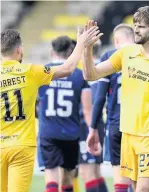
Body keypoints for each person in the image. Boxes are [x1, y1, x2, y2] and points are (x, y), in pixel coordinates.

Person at [0, 27, 102, 192]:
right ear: (19, 50)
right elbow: (68, 68)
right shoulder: (31, 71)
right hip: (22, 146)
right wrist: (81, 43)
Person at [82, 6, 149, 192]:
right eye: (135, 25)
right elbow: (91, 75)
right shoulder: (126, 53)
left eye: (141, 26)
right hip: (128, 134)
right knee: (133, 188)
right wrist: (87, 49)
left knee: (144, 189)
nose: (136, 30)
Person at [37, 36, 93, 192]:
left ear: (51, 51)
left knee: (51, 174)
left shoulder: (42, 72)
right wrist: (92, 131)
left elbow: (33, 102)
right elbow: (87, 109)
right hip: (71, 133)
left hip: (48, 131)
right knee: (68, 177)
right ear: (70, 51)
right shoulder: (79, 75)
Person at [91, 24, 134, 192]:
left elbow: (100, 97)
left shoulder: (110, 56)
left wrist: (93, 128)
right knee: (138, 180)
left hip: (116, 123)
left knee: (120, 181)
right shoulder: (145, 56)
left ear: (116, 40)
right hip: (140, 125)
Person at [78, 40, 108, 192]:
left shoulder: (85, 72)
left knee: (86, 172)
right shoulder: (105, 69)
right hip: (99, 123)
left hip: (87, 125)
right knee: (96, 171)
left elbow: (92, 102)